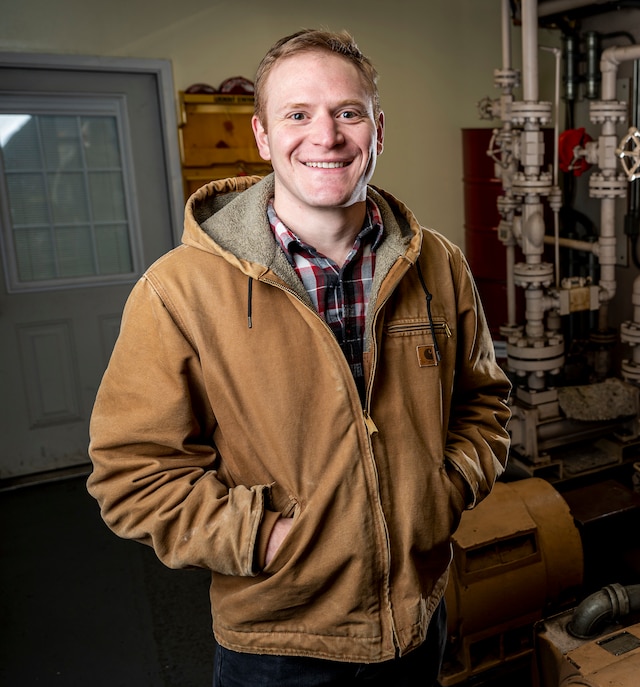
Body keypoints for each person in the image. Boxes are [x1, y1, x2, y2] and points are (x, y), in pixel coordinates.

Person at [87, 28, 511, 687]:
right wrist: (262, 538)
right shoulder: (177, 292)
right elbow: (133, 474)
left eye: (348, 112)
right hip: (278, 643)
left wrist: (443, 492)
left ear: (378, 126)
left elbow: (484, 403)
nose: (327, 136)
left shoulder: (437, 265)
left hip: (417, 618)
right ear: (261, 136)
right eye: (298, 114)